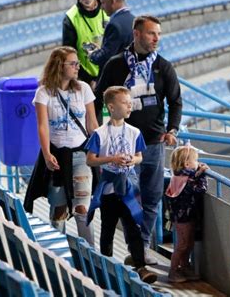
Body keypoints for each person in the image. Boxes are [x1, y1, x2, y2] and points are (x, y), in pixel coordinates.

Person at [95, 15, 182, 264]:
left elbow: (175, 101)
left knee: (152, 197)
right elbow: (99, 98)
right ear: (136, 34)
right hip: (123, 145)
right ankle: (131, 247)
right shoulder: (115, 65)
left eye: (158, 34)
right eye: (151, 33)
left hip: (153, 143)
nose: (156, 38)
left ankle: (140, 248)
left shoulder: (163, 67)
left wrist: (172, 130)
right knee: (127, 197)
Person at [23, 46, 98, 246]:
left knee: (82, 207)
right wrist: (47, 154)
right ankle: (57, 252)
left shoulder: (83, 89)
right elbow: (42, 126)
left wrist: (101, 148)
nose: (77, 67)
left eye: (77, 63)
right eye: (72, 64)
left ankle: (91, 255)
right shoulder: (43, 92)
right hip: (57, 154)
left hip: (80, 153)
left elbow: (92, 123)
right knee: (59, 209)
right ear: (59, 66)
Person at [85, 86, 157, 284]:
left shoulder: (134, 132)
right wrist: (111, 159)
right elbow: (90, 160)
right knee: (107, 228)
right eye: (125, 103)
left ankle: (140, 266)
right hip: (109, 189)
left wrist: (131, 161)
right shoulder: (99, 133)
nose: (130, 106)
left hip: (128, 188)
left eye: (130, 102)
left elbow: (140, 156)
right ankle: (105, 265)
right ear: (111, 107)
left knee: (133, 226)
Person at [165, 145, 208, 283]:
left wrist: (197, 172)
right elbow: (201, 189)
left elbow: (191, 180)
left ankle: (184, 266)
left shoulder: (180, 176)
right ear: (187, 164)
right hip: (184, 218)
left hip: (183, 216)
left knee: (188, 243)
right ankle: (173, 271)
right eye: (196, 160)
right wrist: (203, 174)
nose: (198, 163)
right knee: (183, 244)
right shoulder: (186, 180)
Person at [62, 0, 109, 87]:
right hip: (86, 79)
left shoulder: (109, 7)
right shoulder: (71, 18)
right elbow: (69, 54)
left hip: (111, 74)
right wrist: (88, 80)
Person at [87, 0, 134, 76]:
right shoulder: (134, 19)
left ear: (112, 1)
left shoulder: (114, 24)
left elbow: (106, 56)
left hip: (116, 79)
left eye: (103, 3)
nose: (101, 8)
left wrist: (93, 54)